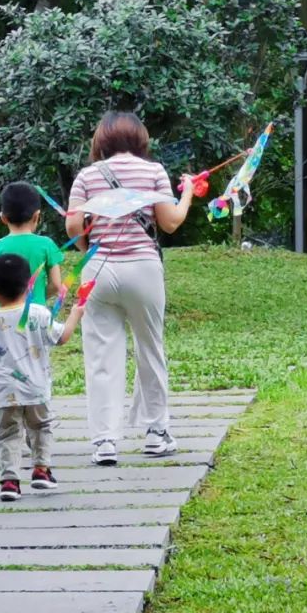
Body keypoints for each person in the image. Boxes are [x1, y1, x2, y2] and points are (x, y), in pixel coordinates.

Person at [65, 111, 195, 466]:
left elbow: (75, 230)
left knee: (100, 356)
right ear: (140, 139)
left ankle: (105, 441)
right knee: (150, 348)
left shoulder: (87, 176)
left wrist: (91, 228)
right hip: (143, 269)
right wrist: (186, 195)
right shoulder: (153, 172)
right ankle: (156, 433)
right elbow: (169, 223)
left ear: (101, 141)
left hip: (99, 271)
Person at [0, 253, 85, 501]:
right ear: (29, 285)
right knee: (41, 427)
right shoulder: (39, 313)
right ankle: (41, 470)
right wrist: (75, 314)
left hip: (4, 389)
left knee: (8, 432)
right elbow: (62, 337)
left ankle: (9, 481)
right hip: (36, 388)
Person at [0, 182, 63, 322]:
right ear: (37, 216)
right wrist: (39, 297)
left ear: (3, 218)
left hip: (3, 318)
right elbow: (56, 285)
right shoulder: (47, 245)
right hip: (36, 317)